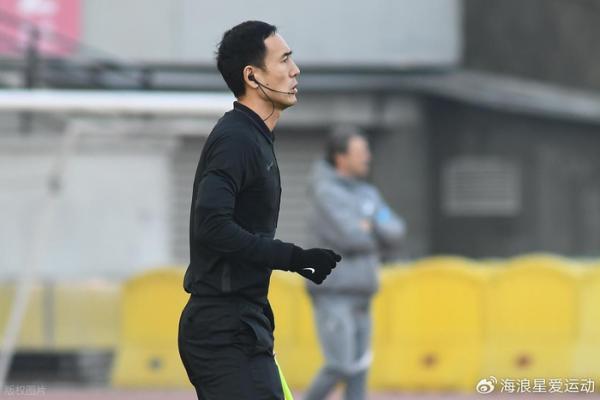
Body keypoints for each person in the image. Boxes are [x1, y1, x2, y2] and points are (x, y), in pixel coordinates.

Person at [177, 21, 342, 400]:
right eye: (284, 60)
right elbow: (212, 225)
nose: (295, 70)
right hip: (222, 332)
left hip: (244, 325)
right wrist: (294, 257)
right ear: (252, 76)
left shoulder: (255, 136)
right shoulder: (236, 139)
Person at [304, 126, 406, 400]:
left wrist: (369, 225)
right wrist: (376, 230)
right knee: (340, 365)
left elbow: (396, 230)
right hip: (333, 292)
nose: (367, 157)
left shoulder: (368, 193)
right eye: (360, 152)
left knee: (359, 371)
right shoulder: (325, 193)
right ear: (341, 157)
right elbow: (351, 237)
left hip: (362, 291)